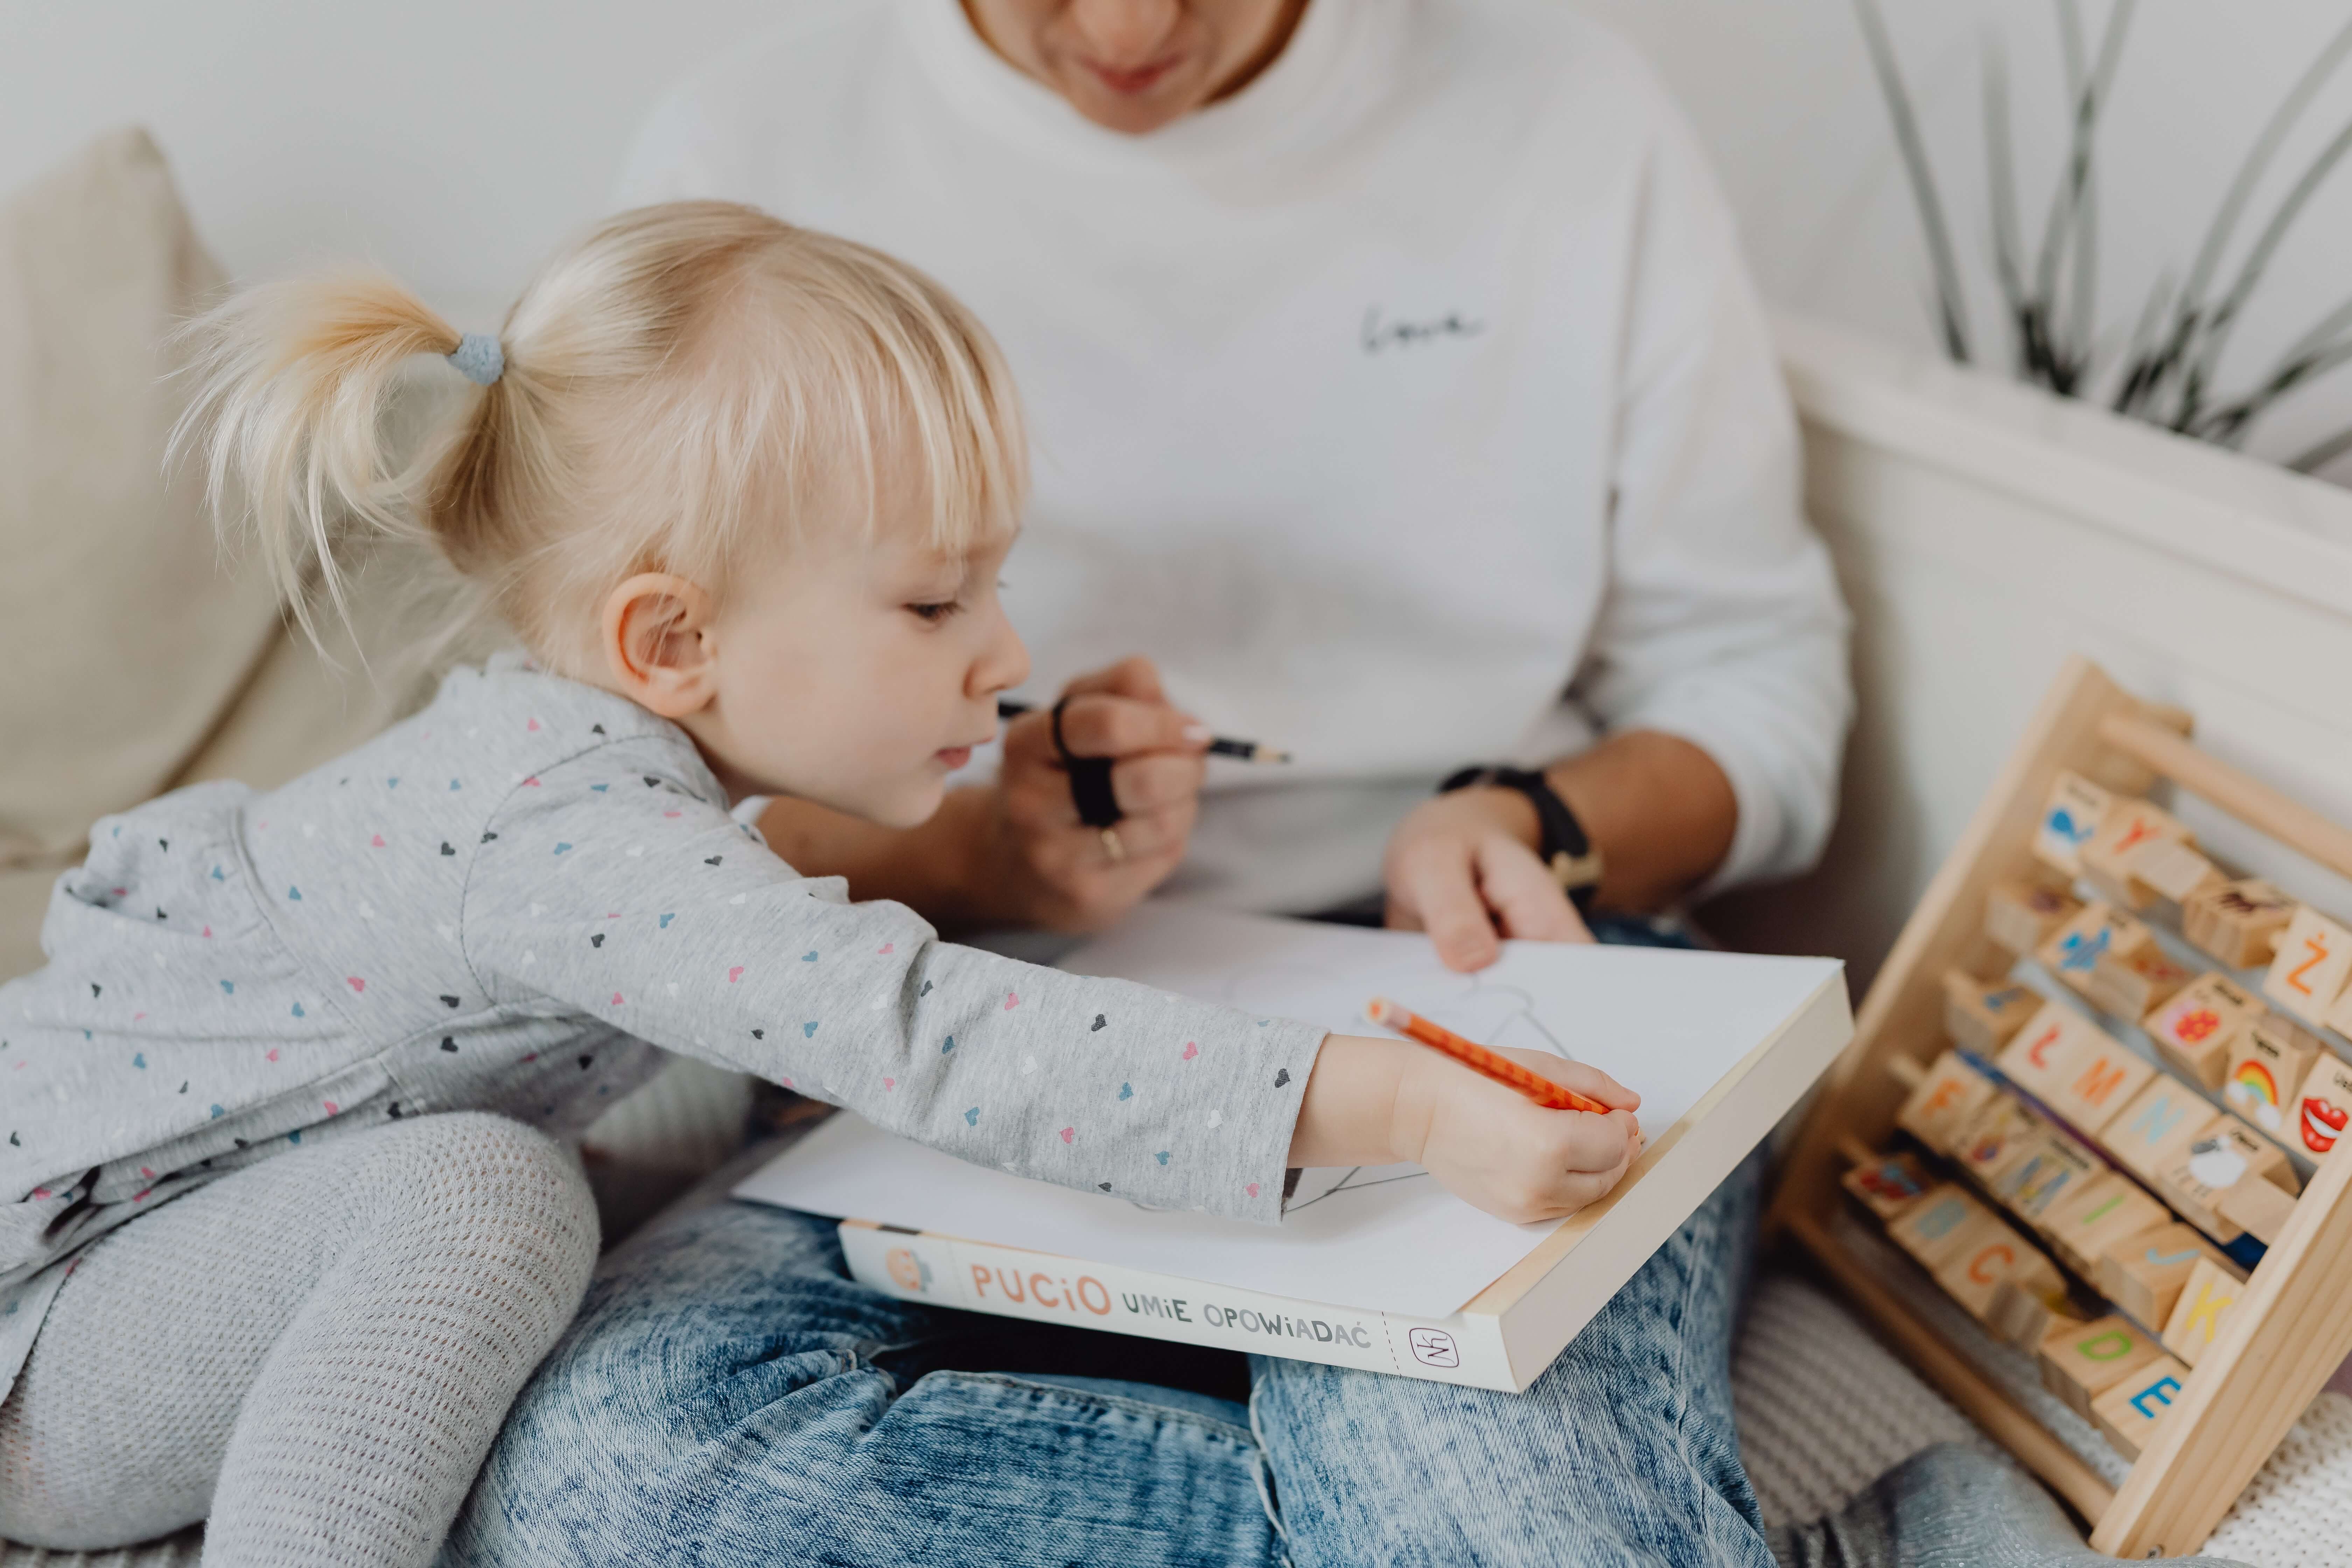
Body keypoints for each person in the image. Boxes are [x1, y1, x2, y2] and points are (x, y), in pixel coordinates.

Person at [0, 202, 1640, 1564]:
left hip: (197, 1259)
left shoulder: (594, 781)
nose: (1002, 653)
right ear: (674, 640)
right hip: (47, 1341)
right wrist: (1396, 1103)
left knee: (672, 1163)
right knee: (493, 1195)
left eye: (995, 585)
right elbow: (933, 1032)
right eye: (934, 604)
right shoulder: (566, 833)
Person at [450, 3, 1858, 1567]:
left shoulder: (1570, 116)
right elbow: (655, 792)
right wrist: (991, 858)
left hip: (1480, 989)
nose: (1128, 27)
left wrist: (1533, 819)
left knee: (1484, 1490)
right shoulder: (752, 150)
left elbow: (1756, 688)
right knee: (613, 1473)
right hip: (977, 1001)